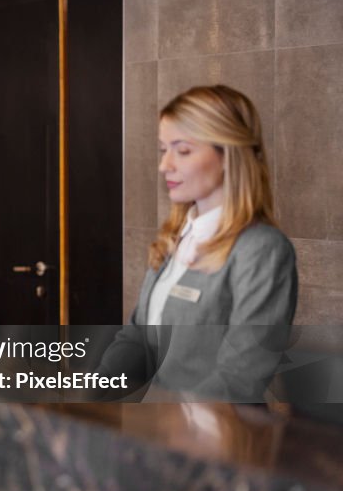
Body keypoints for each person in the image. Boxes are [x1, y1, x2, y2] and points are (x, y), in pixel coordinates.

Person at [103, 84, 297, 402]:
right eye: (163, 150)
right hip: (155, 434)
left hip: (212, 443)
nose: (165, 165)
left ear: (227, 156)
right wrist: (84, 403)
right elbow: (137, 339)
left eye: (182, 151)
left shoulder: (262, 249)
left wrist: (164, 429)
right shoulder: (176, 235)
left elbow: (241, 378)